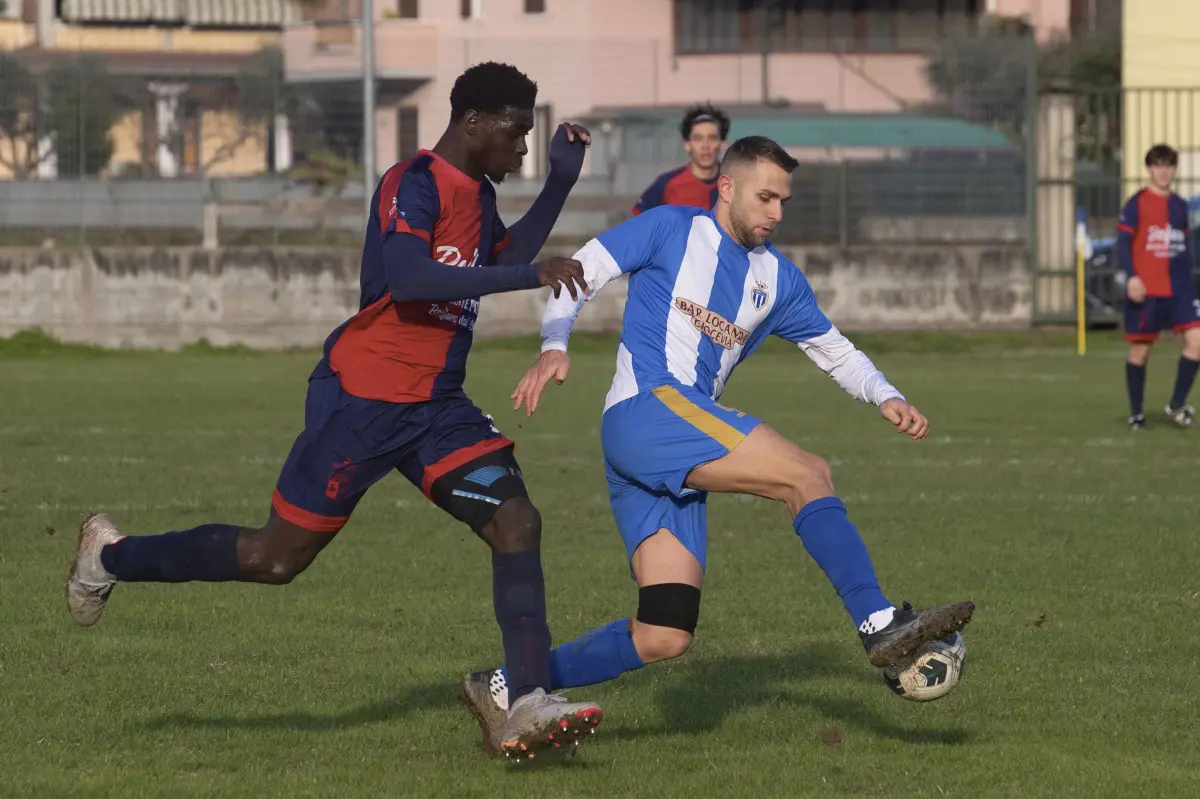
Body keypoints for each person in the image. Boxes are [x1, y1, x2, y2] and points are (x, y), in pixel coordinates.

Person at [64, 61, 604, 761]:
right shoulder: (411, 181)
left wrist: (561, 180)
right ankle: (109, 556)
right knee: (274, 558)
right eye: (515, 132)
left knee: (517, 520)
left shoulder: (480, 196)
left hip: (436, 406)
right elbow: (411, 279)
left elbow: (508, 252)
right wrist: (525, 275)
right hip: (364, 400)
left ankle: (522, 699)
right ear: (473, 123)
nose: (522, 148)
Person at [459, 136, 975, 743]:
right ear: (726, 187)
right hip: (650, 409)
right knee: (806, 473)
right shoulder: (669, 228)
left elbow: (833, 348)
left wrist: (883, 392)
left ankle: (508, 685)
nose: (776, 212)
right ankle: (879, 621)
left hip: (664, 442)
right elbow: (580, 273)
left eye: (783, 200)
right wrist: (554, 347)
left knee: (665, 632)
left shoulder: (777, 278)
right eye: (765, 197)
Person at [1117, 142, 1200, 430]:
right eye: (1157, 166)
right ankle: (1137, 413)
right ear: (1149, 169)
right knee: (1140, 352)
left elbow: (1185, 248)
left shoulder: (1179, 205)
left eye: (1168, 166)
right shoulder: (1136, 203)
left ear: (1174, 169)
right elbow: (1123, 244)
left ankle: (1176, 405)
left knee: (1197, 341)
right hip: (1148, 289)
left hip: (1179, 289)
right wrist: (1132, 276)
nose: (1163, 171)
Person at [630, 103, 729, 216]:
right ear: (687, 145)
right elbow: (639, 223)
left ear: (722, 144)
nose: (705, 146)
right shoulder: (666, 183)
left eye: (712, 138)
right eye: (698, 138)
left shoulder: (734, 182)